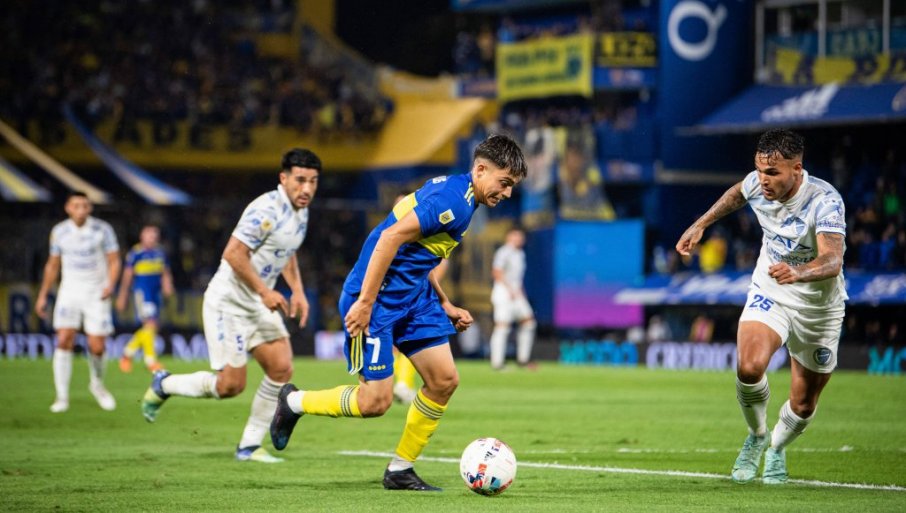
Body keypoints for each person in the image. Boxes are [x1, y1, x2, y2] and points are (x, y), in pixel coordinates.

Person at [269, 134, 527, 491]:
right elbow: (389, 238)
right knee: (375, 402)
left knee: (444, 381)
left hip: (415, 298)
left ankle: (400, 470)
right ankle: (293, 402)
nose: (507, 193)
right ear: (481, 169)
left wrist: (445, 302)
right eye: (505, 182)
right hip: (376, 302)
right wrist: (364, 303)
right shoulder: (451, 201)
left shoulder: (465, 198)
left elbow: (420, 257)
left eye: (512, 186)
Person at [675, 129, 847, 485]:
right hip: (771, 288)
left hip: (818, 306)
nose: (762, 180)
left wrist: (799, 272)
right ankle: (756, 436)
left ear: (797, 169)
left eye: (772, 173)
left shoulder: (825, 200)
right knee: (750, 366)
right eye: (759, 170)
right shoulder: (757, 183)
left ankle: (777, 448)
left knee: (804, 404)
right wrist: (700, 224)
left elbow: (833, 260)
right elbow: (737, 193)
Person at [141, 148, 320, 464]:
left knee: (281, 366)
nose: (306, 188)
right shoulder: (265, 209)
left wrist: (297, 290)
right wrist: (265, 291)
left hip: (257, 302)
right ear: (283, 178)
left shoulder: (300, 212)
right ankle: (165, 383)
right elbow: (233, 253)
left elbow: (287, 251)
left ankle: (249, 445)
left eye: (313, 181)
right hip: (229, 302)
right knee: (230, 386)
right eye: (300, 180)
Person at [35, 191, 121, 413]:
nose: (81, 209)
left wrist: (110, 284)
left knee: (97, 345)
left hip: (96, 293)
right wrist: (43, 294)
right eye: (76, 205)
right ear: (68, 208)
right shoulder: (59, 231)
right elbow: (53, 265)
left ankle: (97, 385)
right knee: (64, 339)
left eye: (85, 205)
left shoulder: (102, 229)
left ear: (90, 208)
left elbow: (114, 261)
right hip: (70, 291)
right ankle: (62, 397)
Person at [390, 190, 451, 405]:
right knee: (404, 341)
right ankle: (399, 384)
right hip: (394, 296)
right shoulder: (391, 233)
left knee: (405, 341)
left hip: (413, 296)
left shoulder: (426, 236)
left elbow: (438, 266)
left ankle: (401, 384)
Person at [116, 225, 174, 373]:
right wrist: (123, 295)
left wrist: (167, 285)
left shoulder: (160, 253)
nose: (152, 238)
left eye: (155, 236)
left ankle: (127, 353)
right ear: (142, 236)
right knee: (150, 324)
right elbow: (127, 275)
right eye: (149, 235)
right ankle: (150, 361)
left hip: (156, 295)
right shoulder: (136, 253)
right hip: (142, 294)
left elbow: (165, 272)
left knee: (152, 327)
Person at [489, 227, 536, 370]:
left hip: (517, 293)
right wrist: (508, 289)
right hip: (504, 292)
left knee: (529, 322)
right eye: (515, 236)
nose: (518, 239)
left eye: (520, 236)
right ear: (508, 237)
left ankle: (523, 360)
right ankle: (497, 363)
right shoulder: (504, 251)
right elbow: (496, 272)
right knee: (502, 326)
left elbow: (517, 278)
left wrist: (520, 293)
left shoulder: (520, 253)